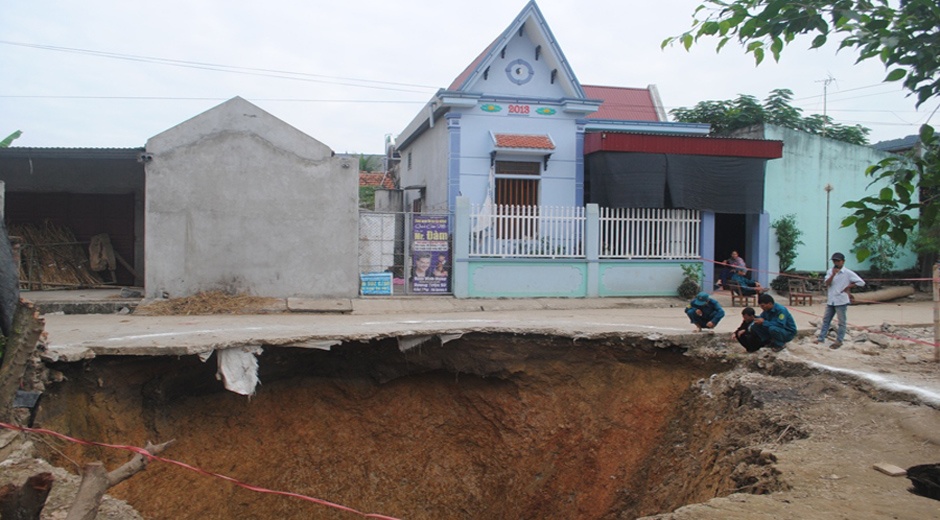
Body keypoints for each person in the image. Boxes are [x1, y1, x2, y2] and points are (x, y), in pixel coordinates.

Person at [816, 252, 865, 349]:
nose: (836, 263)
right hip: (831, 300)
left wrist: (849, 286)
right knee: (826, 320)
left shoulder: (847, 273)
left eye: (838, 261)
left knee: (841, 322)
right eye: (834, 261)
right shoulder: (830, 271)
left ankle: (839, 341)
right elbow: (827, 283)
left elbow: (861, 282)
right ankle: (821, 338)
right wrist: (833, 275)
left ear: (843, 261)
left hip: (841, 300)